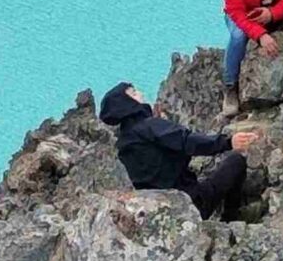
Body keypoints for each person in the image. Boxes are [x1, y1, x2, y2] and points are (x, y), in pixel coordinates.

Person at [100, 82, 263, 221]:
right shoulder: (149, 126)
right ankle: (232, 217)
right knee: (236, 161)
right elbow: (187, 141)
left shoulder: (124, 143)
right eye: (134, 93)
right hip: (191, 203)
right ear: (127, 103)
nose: (140, 94)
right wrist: (228, 142)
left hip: (160, 212)